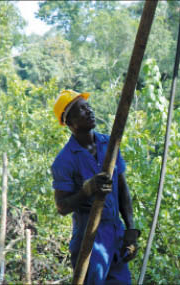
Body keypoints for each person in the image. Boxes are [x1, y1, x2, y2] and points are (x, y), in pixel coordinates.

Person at [51, 90, 139, 284]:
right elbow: (62, 207)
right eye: (81, 110)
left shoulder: (109, 143)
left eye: (88, 106)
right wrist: (86, 191)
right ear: (69, 122)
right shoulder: (65, 161)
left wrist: (130, 230)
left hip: (116, 232)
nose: (89, 111)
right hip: (90, 237)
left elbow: (123, 190)